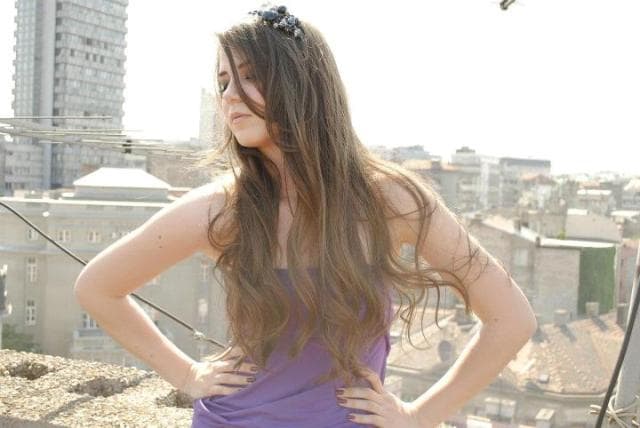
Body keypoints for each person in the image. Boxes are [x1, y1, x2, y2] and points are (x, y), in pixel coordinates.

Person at [73, 4, 537, 427]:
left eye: (249, 76)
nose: (229, 96)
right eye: (223, 82)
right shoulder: (223, 208)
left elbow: (511, 318)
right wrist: (187, 374)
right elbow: (97, 287)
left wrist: (419, 416)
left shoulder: (392, 199)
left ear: (300, 80)